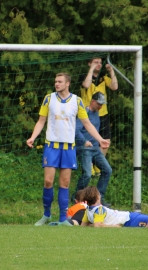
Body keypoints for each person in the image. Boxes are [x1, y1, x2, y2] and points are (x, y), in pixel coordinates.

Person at [26, 73, 110, 226]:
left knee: (64, 184)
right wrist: (33, 137)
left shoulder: (77, 101)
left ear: (67, 83)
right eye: (55, 81)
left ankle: (63, 218)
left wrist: (100, 139)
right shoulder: (48, 98)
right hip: (52, 146)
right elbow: (41, 121)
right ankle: (46, 215)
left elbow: (87, 124)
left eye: (60, 81)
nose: (56, 84)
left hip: (68, 148)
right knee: (48, 181)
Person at [79, 58, 118, 176]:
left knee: (106, 141)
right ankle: (89, 166)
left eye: (100, 63)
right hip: (88, 114)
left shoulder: (103, 77)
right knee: (90, 141)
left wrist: (111, 71)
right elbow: (86, 85)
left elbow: (114, 87)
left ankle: (97, 166)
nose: (99, 65)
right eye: (96, 62)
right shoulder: (84, 77)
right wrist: (91, 69)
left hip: (103, 113)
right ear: (89, 63)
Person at [73, 92, 112, 207]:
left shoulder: (97, 114)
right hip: (84, 148)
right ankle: (77, 197)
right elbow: (76, 130)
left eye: (102, 105)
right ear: (93, 101)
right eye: (99, 104)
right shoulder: (84, 113)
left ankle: (99, 198)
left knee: (107, 170)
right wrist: (85, 141)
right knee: (88, 174)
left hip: (95, 149)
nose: (101, 107)